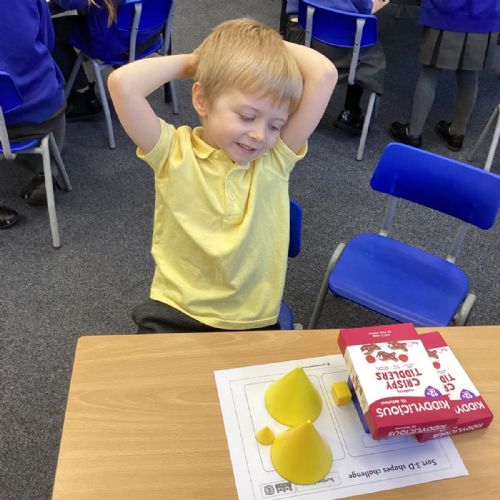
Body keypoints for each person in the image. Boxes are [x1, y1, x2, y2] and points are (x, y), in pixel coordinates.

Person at [108, 18, 338, 333]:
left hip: (251, 319)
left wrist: (255, 46)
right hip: (174, 311)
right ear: (202, 100)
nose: (260, 135)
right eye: (247, 116)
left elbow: (324, 74)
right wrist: (197, 62)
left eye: (275, 125)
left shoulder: (274, 159)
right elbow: (122, 84)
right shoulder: (173, 151)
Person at [389, 0, 500, 150]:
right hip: (485, 14)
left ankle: (413, 133)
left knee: (430, 72)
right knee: (469, 73)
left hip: (447, 12)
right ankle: (457, 133)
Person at [0, 0, 66, 228]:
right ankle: (47, 174)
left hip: (6, 122)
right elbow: (48, 41)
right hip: (42, 109)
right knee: (52, 82)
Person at [284, 0, 390, 134]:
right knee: (367, 53)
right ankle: (351, 112)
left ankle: (292, 102)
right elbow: (365, 9)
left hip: (305, 36)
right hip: (343, 48)